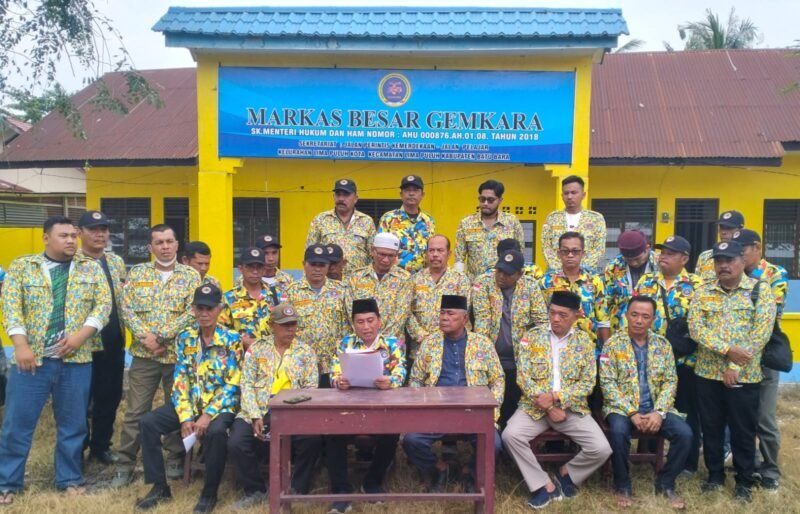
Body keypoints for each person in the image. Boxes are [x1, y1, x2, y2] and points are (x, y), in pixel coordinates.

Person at [0, 216, 111, 504]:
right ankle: (7, 483)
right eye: (64, 236)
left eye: (73, 235)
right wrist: (21, 345)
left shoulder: (91, 268)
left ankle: (70, 478)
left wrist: (80, 337)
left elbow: (103, 306)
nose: (71, 240)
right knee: (17, 424)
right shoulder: (23, 267)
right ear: (46, 238)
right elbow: (11, 307)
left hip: (76, 361)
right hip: (31, 361)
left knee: (73, 425)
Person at [135, 284, 241, 513]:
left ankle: (209, 494)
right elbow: (180, 378)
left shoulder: (232, 339)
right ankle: (159, 487)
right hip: (191, 404)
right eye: (199, 308)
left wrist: (207, 415)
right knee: (148, 423)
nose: (204, 313)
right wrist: (185, 417)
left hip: (219, 407)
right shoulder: (185, 338)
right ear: (193, 309)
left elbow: (233, 383)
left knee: (215, 432)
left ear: (219, 309)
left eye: (209, 308)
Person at [501, 291, 612, 509]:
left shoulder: (584, 342)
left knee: (601, 449)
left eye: (562, 315)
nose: (555, 319)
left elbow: (588, 383)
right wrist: (549, 407)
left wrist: (556, 397)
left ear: (576, 316)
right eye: (552, 313)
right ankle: (544, 485)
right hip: (534, 407)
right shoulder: (532, 337)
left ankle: (567, 473)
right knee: (510, 435)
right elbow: (523, 376)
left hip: (571, 408)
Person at [688, 240, 776, 503]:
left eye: (729, 260)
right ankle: (714, 476)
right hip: (707, 373)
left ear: (742, 261)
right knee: (711, 428)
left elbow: (761, 333)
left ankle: (744, 481)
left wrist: (734, 366)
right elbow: (696, 329)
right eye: (719, 261)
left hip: (745, 376)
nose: (723, 266)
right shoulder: (703, 291)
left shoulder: (760, 290)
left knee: (743, 430)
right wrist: (727, 350)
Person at [113, 224, 200, 487]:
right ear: (150, 247)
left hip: (177, 357)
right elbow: (126, 309)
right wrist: (147, 339)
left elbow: (193, 312)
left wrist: (161, 337)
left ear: (177, 245)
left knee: (176, 409)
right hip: (144, 356)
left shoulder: (191, 276)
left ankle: (175, 457)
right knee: (135, 411)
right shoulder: (138, 273)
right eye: (159, 242)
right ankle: (125, 463)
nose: (165, 247)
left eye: (169, 241)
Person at [600, 296, 693, 509]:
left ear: (653, 319)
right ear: (626, 315)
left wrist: (658, 412)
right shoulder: (612, 344)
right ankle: (622, 485)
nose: (639, 320)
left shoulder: (663, 345)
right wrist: (631, 412)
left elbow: (670, 381)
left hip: (655, 407)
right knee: (618, 431)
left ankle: (665, 483)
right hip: (621, 407)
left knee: (685, 434)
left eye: (645, 316)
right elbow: (607, 383)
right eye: (634, 315)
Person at [405, 295, 504, 492]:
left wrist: (492, 410)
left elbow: (498, 379)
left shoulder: (482, 344)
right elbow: (415, 380)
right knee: (411, 440)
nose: (444, 318)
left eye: (450, 314)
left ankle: (470, 472)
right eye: (442, 313)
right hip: (436, 411)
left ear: (465, 318)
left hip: (474, 411)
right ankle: (440, 468)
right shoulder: (430, 343)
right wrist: (421, 406)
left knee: (494, 444)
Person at [227, 302, 322, 509]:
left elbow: (310, 389)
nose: (290, 329)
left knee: (312, 439)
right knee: (236, 442)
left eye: (293, 324)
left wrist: (291, 412)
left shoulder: (306, 352)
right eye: (285, 325)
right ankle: (256, 491)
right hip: (259, 407)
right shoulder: (257, 349)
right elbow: (246, 383)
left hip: (292, 410)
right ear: (272, 326)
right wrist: (255, 415)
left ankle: (298, 488)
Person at [326, 298, 406, 514]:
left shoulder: (392, 343)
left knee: (391, 434)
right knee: (332, 434)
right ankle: (341, 491)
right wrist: (338, 381)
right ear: (353, 324)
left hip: (381, 406)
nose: (366, 327)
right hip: (349, 405)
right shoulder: (345, 343)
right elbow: (334, 372)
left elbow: (400, 372)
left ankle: (372, 482)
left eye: (370, 321)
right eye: (360, 322)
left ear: (379, 321)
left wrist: (391, 381)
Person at [632, 235, 703, 474]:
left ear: (684, 258)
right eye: (662, 252)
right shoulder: (647, 281)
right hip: (651, 361)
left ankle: (686, 464)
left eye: (670, 254)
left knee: (686, 412)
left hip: (685, 361)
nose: (663, 257)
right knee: (651, 406)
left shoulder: (696, 285)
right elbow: (633, 313)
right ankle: (651, 456)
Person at [733, 228, 788, 490]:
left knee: (764, 418)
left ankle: (770, 470)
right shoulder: (732, 273)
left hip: (762, 355)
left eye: (742, 250)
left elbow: (768, 314)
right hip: (736, 357)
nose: (739, 255)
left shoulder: (774, 274)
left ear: (757, 247)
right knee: (741, 416)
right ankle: (749, 464)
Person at [473, 249, 548, 428]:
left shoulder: (530, 286)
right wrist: (484, 358)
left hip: (521, 360)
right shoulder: (483, 283)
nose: (501, 276)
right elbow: (482, 319)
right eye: (499, 270)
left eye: (507, 273)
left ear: (519, 274)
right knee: (491, 407)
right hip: (492, 358)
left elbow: (542, 323)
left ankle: (509, 441)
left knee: (514, 407)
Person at [77, 210, 128, 465]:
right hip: (83, 345)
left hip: (113, 342)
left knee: (109, 397)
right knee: (79, 401)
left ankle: (100, 447)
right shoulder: (72, 263)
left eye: (103, 230)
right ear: (80, 233)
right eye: (93, 230)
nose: (100, 234)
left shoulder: (115, 262)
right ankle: (77, 449)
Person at [285, 244, 348, 387]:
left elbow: (349, 325)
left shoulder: (342, 291)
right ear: (304, 264)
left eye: (322, 265)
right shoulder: (291, 292)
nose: (317, 269)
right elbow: (285, 327)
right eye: (313, 264)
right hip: (302, 363)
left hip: (335, 364)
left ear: (328, 266)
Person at [406, 234, 471, 361]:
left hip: (452, 348)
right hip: (421, 347)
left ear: (449, 254)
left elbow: (462, 313)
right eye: (431, 250)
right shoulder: (414, 280)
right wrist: (421, 335)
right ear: (426, 254)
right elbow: (407, 312)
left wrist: (440, 338)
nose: (435, 254)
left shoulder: (460, 280)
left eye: (440, 250)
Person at [539, 231, 610, 347]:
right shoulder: (546, 282)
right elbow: (540, 318)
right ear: (559, 254)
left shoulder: (594, 281)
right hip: (555, 346)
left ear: (583, 253)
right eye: (565, 251)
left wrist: (607, 350)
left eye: (575, 251)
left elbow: (603, 320)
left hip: (587, 347)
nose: (570, 255)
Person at [344, 232, 413, 339]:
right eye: (382, 254)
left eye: (391, 256)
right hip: (361, 340)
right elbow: (351, 311)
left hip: (392, 342)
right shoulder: (356, 277)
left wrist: (380, 341)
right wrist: (366, 336)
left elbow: (401, 314)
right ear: (373, 251)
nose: (386, 260)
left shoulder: (404, 278)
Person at [455, 180, 524, 280]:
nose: (485, 203)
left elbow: (519, 255)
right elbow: (459, 258)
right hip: (475, 284)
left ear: (500, 200)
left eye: (490, 200)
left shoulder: (512, 222)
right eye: (482, 199)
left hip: (503, 282)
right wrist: (459, 281)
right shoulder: (466, 223)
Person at [306, 179, 376, 277]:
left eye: (346, 195)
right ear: (333, 197)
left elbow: (373, 255)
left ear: (355, 198)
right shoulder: (321, 219)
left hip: (358, 281)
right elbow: (310, 253)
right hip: (328, 280)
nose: (341, 199)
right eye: (338, 194)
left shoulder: (367, 221)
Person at [541, 175, 607, 272]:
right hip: (556, 274)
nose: (569, 197)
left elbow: (599, 249)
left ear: (583, 195)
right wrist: (560, 269)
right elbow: (546, 247)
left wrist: (578, 270)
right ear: (562, 196)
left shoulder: (596, 219)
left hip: (586, 274)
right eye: (566, 193)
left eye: (574, 193)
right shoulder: (552, 218)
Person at [378, 174, 436, 273]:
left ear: (422, 195)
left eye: (415, 190)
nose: (411, 193)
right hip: (394, 277)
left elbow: (432, 250)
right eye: (407, 190)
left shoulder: (429, 221)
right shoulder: (388, 218)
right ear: (401, 194)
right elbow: (380, 249)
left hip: (421, 277)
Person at [604, 230, 658, 332]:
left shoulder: (660, 265)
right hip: (620, 328)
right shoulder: (613, 267)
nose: (634, 263)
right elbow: (607, 301)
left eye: (637, 259)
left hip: (653, 327)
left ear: (647, 248)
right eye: (629, 260)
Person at [219, 247, 272, 351]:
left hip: (270, 355)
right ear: (240, 269)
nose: (255, 271)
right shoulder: (229, 298)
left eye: (259, 267)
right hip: (241, 355)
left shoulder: (276, 295)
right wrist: (241, 340)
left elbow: (285, 326)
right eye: (250, 267)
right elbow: (219, 328)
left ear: (264, 269)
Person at [696, 210, 744, 282]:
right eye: (722, 227)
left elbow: (757, 274)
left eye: (729, 228)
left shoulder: (745, 254)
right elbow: (697, 283)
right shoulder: (705, 257)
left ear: (741, 229)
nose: (723, 232)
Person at [255, 234, 294, 306]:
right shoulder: (246, 281)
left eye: (274, 253)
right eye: (265, 253)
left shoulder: (288, 280)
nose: (271, 258)